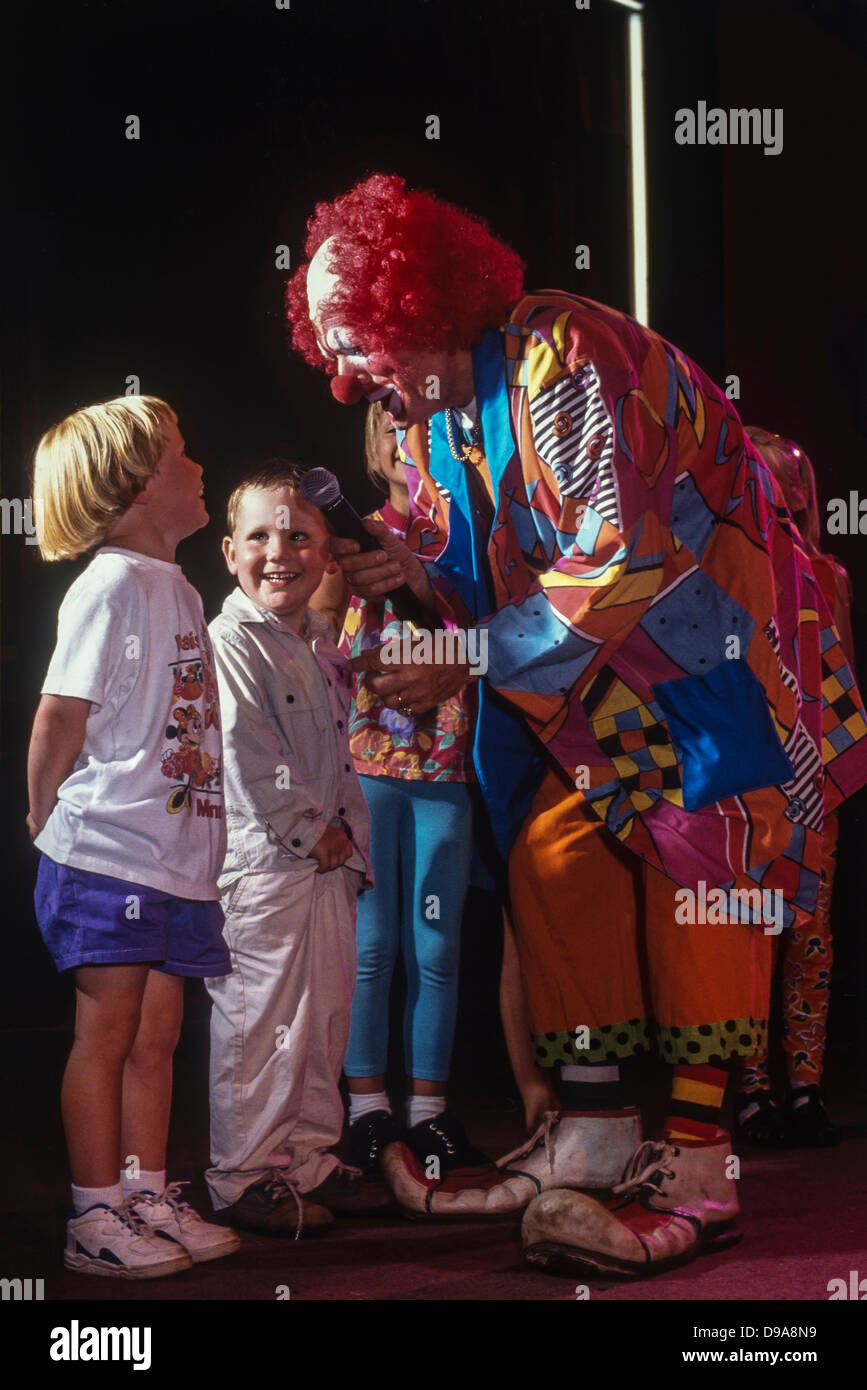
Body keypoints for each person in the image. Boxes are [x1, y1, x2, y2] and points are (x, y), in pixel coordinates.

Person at [286, 174, 867, 1277]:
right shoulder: (439, 418)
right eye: (334, 355)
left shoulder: (563, 356)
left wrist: (461, 651)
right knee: (559, 865)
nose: (349, 377)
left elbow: (618, 558)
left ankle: (701, 1162)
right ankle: (595, 1137)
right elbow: (491, 574)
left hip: (715, 667)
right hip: (584, 695)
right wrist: (416, 574)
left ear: (418, 301)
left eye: (358, 342)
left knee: (704, 882)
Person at [27, 396, 239, 1279]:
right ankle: (93, 1214)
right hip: (109, 854)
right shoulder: (110, 583)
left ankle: (145, 1189)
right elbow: (60, 714)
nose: (198, 469)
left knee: (159, 1034)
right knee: (107, 1034)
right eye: (182, 457)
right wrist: (43, 819)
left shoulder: (181, 587)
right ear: (138, 482)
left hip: (175, 861)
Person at [204, 458, 386, 1235]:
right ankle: (242, 1175)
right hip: (266, 866)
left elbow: (339, 751)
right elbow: (245, 753)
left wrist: (347, 847)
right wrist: (315, 834)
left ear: (326, 554)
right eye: (259, 536)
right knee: (260, 1021)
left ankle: (307, 1157)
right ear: (228, 552)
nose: (279, 551)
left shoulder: (316, 640)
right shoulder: (229, 642)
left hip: (328, 864)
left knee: (322, 1016)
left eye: (299, 536)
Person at [334, 403, 482, 1177]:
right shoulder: (350, 533)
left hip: (450, 766)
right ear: (372, 445)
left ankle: (429, 1109)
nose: (405, 445)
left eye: (419, 431)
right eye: (390, 431)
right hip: (368, 763)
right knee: (371, 943)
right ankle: (365, 1109)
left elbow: (503, 637)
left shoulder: (472, 540)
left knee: (438, 944)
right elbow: (317, 642)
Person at [733, 428, 854, 1148]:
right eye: (765, 482)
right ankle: (750, 1090)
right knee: (750, 929)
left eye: (789, 486)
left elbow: (845, 679)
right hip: (750, 776)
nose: (782, 497)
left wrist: (839, 759)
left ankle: (804, 1087)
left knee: (810, 933)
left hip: (818, 770)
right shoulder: (724, 567)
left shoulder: (827, 574)